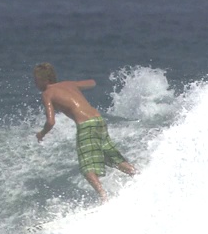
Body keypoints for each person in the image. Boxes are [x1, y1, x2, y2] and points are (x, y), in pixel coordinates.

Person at [33, 62, 136, 202]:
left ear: (44, 80)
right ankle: (138, 176)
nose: (35, 83)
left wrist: (41, 133)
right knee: (109, 157)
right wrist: (78, 86)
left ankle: (104, 198)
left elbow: (50, 122)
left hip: (86, 125)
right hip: (99, 120)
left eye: (36, 80)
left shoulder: (47, 94)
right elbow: (91, 83)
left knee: (86, 167)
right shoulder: (69, 84)